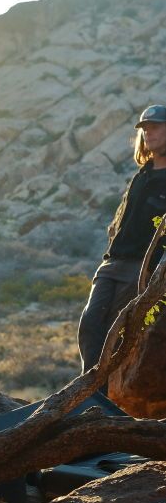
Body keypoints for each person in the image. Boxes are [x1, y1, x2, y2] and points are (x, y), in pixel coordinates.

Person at [78, 104, 166, 376]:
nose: (148, 133)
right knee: (90, 323)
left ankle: (99, 396)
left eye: (156, 127)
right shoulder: (141, 174)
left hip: (141, 267)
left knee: (114, 333)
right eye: (145, 128)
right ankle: (88, 391)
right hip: (112, 263)